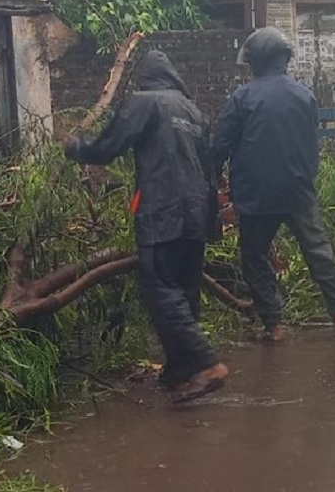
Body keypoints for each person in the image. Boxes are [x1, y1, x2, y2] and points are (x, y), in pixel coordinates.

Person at [64, 50, 228, 404]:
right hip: (196, 216)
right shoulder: (194, 112)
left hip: (161, 212)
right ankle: (178, 375)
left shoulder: (145, 102)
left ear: (145, 78)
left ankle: (207, 364)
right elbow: (211, 170)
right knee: (185, 293)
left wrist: (75, 147)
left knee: (163, 292)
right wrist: (212, 223)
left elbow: (108, 148)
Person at [210, 27, 335, 342]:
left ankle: (274, 324)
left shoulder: (242, 98)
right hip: (298, 190)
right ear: (284, 58)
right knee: (318, 251)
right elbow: (309, 144)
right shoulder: (304, 96)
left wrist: (209, 179)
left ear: (257, 61)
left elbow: (219, 145)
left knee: (254, 256)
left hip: (255, 194)